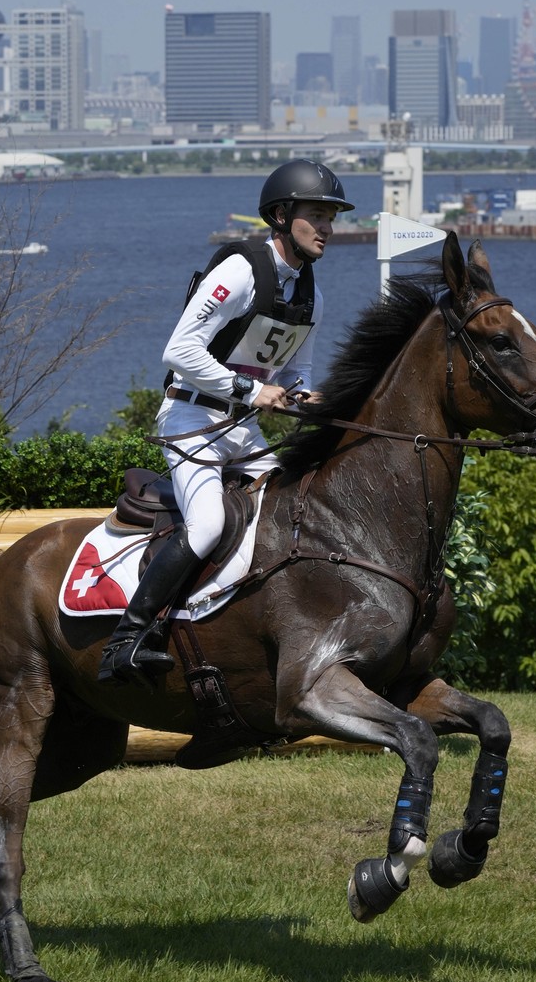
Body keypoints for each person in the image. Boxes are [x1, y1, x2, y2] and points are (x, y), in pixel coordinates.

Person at [97, 158, 353, 686]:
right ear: (282, 216)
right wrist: (255, 390)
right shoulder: (240, 271)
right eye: (317, 215)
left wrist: (311, 398)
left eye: (332, 217)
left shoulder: (312, 296)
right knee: (209, 524)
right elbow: (178, 351)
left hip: (242, 430)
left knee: (298, 508)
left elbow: (294, 374)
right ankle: (128, 639)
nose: (328, 228)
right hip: (190, 416)